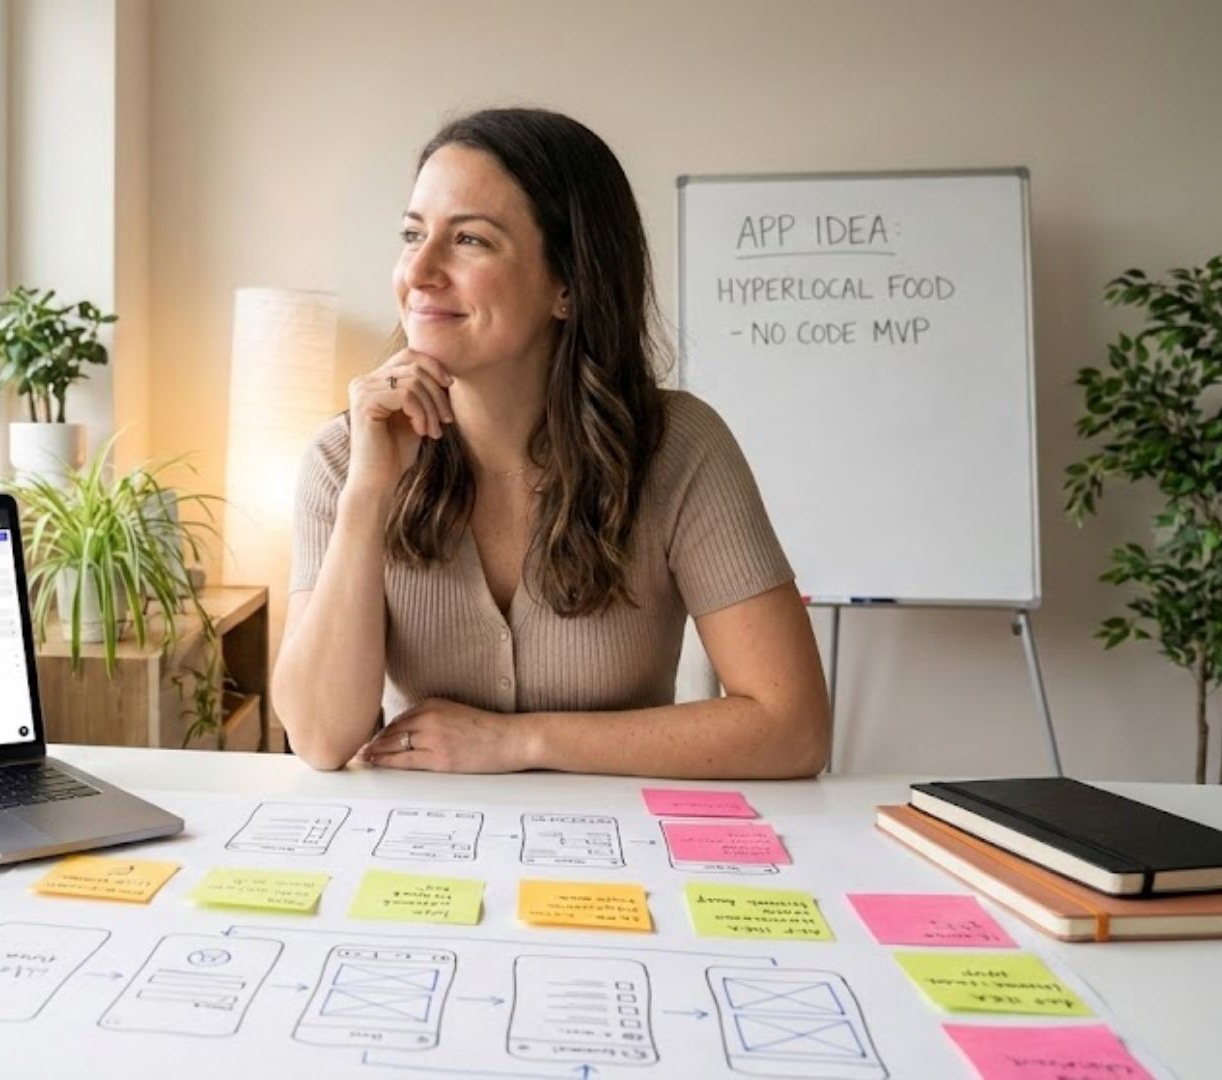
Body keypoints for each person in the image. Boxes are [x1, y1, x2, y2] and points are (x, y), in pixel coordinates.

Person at [270, 108, 829, 779]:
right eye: (412, 233)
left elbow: (791, 728)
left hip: (619, 858)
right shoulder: (343, 457)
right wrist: (368, 494)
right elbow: (321, 739)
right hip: (420, 857)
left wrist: (517, 742)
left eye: (469, 240)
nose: (418, 271)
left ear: (566, 284)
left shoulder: (680, 447)